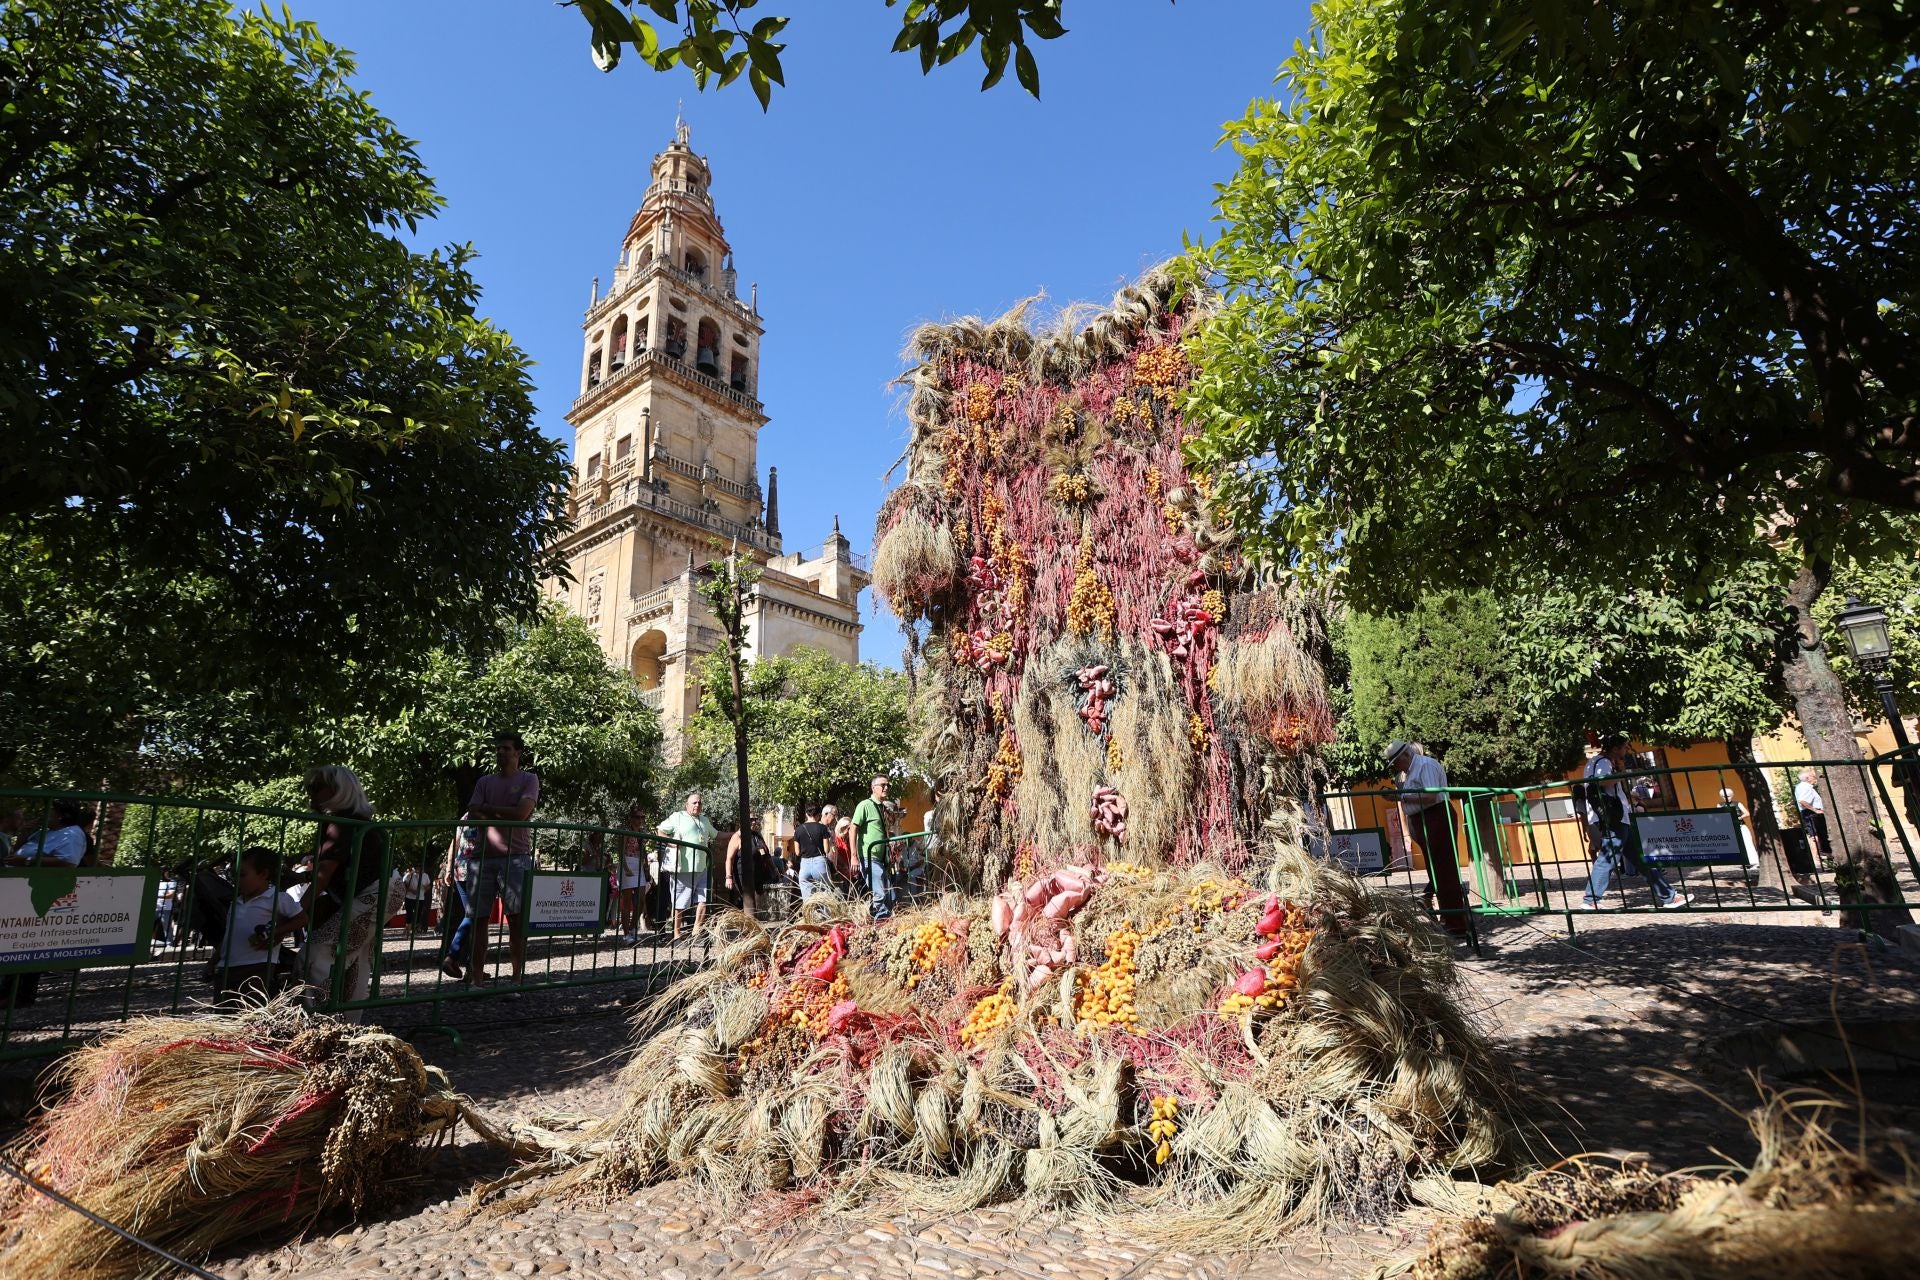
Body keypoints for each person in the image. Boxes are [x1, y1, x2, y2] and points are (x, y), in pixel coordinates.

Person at [301, 765, 389, 1017]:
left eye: (316, 787)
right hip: (378, 891)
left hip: (371, 894)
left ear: (337, 790)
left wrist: (298, 912)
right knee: (356, 958)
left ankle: (320, 1023)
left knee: (316, 953)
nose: (310, 793)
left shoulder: (339, 825)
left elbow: (323, 876)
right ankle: (346, 1025)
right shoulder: (351, 820)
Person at [462, 731, 540, 986]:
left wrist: (489, 810)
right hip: (481, 857)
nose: (501, 753)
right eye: (498, 749)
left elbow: (521, 813)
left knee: (516, 920)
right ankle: (476, 979)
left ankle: (516, 978)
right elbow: (472, 814)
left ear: (518, 753)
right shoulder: (484, 782)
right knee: (478, 920)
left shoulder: (529, 779)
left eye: (506, 748)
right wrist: (501, 815)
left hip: (515, 858)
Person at [1579, 735, 1691, 910]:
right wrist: (1621, 775)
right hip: (1613, 818)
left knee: (1640, 859)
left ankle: (1669, 897)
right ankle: (1591, 899)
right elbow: (1600, 781)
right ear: (1616, 748)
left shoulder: (1595, 762)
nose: (1625, 751)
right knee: (1608, 858)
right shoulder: (1603, 763)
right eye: (1623, 748)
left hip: (1614, 818)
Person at [2, 799, 92, 1008]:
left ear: (61, 814)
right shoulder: (43, 832)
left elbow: (68, 862)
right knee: (13, 941)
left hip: (42, 893)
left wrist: (27, 862)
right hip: (19, 891)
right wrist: (23, 836)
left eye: (50, 811)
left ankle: (19, 994)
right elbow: (14, 855)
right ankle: (8, 991)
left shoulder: (72, 834)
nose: (46, 814)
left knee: (28, 942)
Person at [1383, 743, 1471, 938]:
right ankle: (1447, 917)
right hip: (1420, 819)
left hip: (1435, 816)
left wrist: (1400, 795)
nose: (1396, 766)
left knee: (1444, 870)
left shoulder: (1425, 766)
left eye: (1396, 762)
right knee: (1436, 870)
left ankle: (1456, 923)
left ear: (1405, 756)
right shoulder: (1405, 774)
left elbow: (1431, 795)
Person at [214, 847, 306, 1001]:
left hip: (257, 965)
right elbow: (228, 935)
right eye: (235, 875)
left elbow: (302, 918)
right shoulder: (235, 902)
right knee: (223, 1011)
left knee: (250, 1010)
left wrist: (276, 932)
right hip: (226, 967)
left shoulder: (277, 898)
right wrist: (213, 962)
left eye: (242, 875)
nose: (237, 880)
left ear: (263, 874)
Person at [656, 792, 716, 942]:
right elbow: (660, 830)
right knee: (680, 903)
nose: (697, 805)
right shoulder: (678, 817)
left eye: (699, 803)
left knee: (704, 899)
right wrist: (670, 842)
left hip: (702, 867)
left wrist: (736, 834)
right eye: (694, 803)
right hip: (683, 868)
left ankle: (697, 931)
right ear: (687, 805)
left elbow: (716, 834)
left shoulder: (704, 820)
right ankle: (676, 935)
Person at [437, 814, 482, 979]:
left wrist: (449, 868)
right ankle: (453, 957)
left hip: (459, 869)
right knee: (475, 916)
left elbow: (454, 844)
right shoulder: (488, 814)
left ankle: (473, 967)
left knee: (473, 917)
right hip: (478, 869)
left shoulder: (465, 817)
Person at [850, 776, 895, 922]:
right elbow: (853, 828)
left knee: (890, 896)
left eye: (888, 785)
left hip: (881, 859)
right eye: (883, 785)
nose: (886, 788)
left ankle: (885, 924)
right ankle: (880, 925)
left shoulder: (882, 807)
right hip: (869, 857)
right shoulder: (865, 805)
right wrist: (854, 856)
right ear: (873, 787)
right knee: (880, 894)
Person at [616, 805, 650, 943]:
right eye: (637, 817)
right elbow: (620, 851)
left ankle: (632, 928)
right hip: (627, 864)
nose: (640, 819)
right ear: (631, 818)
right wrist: (625, 868)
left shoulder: (642, 832)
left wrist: (646, 865)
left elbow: (643, 851)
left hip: (638, 865)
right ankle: (625, 935)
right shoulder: (625, 832)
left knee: (641, 901)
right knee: (627, 901)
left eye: (642, 817)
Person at [724, 822, 771, 919]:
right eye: (750, 819)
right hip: (743, 876)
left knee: (758, 903)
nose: (753, 821)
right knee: (746, 903)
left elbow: (766, 855)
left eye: (755, 819)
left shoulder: (757, 835)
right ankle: (745, 926)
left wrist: (774, 869)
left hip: (758, 874)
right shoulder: (737, 837)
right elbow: (729, 858)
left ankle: (754, 926)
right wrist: (728, 877)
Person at [793, 804, 836, 900]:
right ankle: (824, 915)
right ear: (818, 815)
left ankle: (810, 915)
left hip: (805, 865)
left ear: (806, 814)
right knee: (825, 899)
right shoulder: (823, 828)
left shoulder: (798, 830)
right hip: (819, 863)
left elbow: (797, 852)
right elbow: (826, 850)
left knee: (808, 902)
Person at [1719, 786, 1762, 879]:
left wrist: (1739, 817)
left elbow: (1746, 813)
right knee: (1737, 846)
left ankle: (1754, 862)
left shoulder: (1737, 803)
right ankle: (1743, 862)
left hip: (1741, 826)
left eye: (1729, 796)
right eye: (1724, 796)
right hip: (1730, 828)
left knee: (1747, 843)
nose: (1727, 798)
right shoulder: (1720, 805)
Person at [1794, 769, 1830, 880]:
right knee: (1814, 836)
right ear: (1808, 778)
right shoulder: (1805, 787)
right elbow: (1802, 801)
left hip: (1809, 813)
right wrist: (1815, 810)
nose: (1815, 778)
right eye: (1814, 776)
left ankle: (1819, 858)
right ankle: (1816, 860)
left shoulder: (1801, 786)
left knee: (1816, 835)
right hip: (1811, 814)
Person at [399, 863, 432, 935]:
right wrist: (411, 890)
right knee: (409, 913)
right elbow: (404, 883)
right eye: (418, 868)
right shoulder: (409, 875)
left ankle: (415, 929)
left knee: (418, 914)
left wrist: (426, 888)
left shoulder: (425, 875)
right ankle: (407, 929)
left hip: (420, 898)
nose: (419, 869)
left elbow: (428, 885)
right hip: (409, 897)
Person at [154, 872, 179, 947]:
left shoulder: (172, 882)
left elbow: (171, 895)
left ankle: (169, 945)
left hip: (166, 908)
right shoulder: (157, 881)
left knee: (167, 928)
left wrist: (157, 896)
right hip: (155, 907)